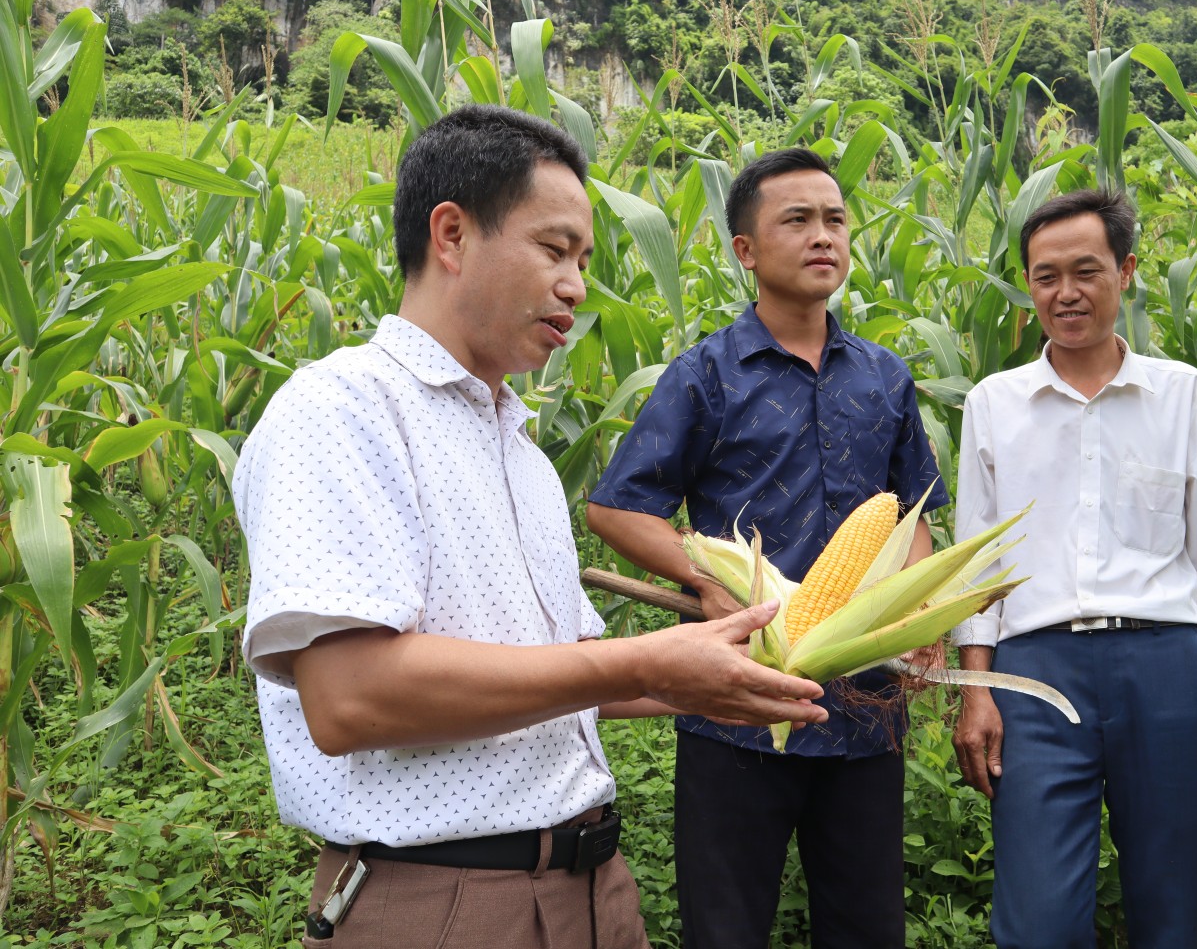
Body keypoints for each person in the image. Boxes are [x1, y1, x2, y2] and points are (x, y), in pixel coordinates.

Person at [233, 105, 829, 949]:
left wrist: (739, 672)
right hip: (441, 901)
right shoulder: (343, 410)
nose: (578, 288)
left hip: (591, 892)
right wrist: (650, 659)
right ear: (451, 236)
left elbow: (569, 672)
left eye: (583, 260)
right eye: (554, 250)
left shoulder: (523, 454)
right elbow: (350, 695)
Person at [585, 148, 949, 949]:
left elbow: (912, 511)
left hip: (863, 706)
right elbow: (618, 508)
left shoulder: (885, 378)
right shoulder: (707, 375)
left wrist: (922, 610)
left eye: (835, 220)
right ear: (745, 251)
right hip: (734, 705)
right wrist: (708, 579)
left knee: (866, 927)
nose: (824, 237)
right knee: (727, 927)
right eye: (797, 220)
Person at [951, 189, 1197, 949]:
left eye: (1086, 271)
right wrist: (975, 693)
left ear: (1125, 272)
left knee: (1174, 906)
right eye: (1045, 276)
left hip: (1162, 668)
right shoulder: (995, 404)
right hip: (1034, 675)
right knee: (1036, 924)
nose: (1067, 293)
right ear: (1028, 286)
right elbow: (979, 566)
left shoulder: (1183, 395)